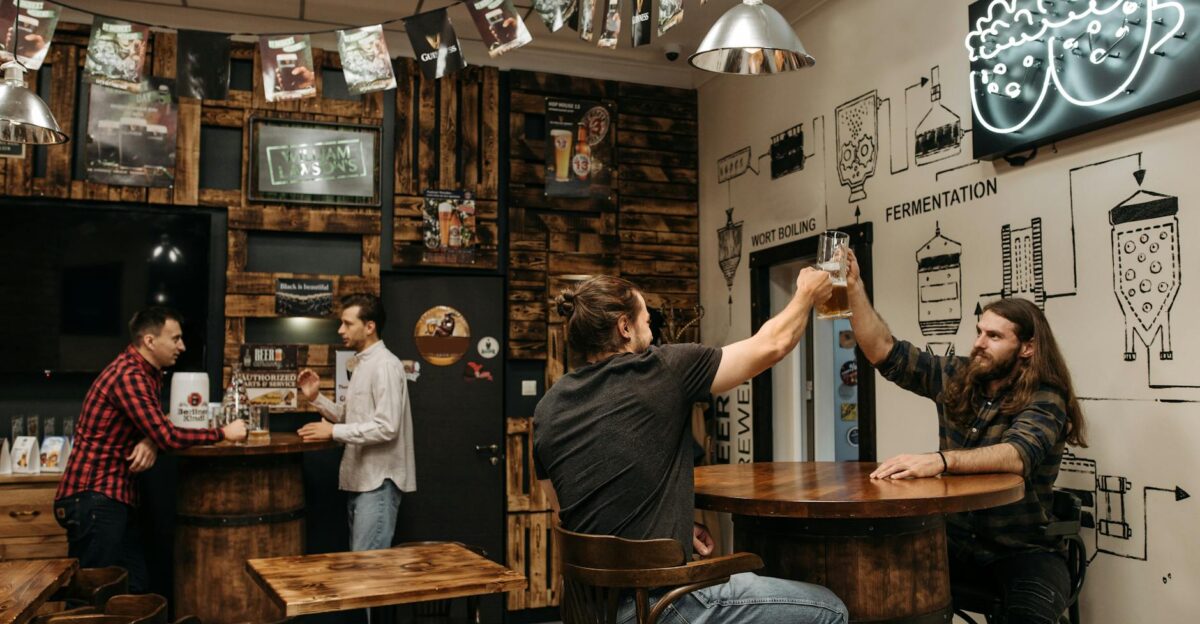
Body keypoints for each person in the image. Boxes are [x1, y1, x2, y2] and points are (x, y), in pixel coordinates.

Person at [533, 274, 848, 624]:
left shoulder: (548, 407)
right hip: (659, 605)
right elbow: (772, 345)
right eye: (646, 321)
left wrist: (670, 529)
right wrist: (805, 292)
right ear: (624, 327)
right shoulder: (663, 369)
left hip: (589, 609)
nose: (650, 330)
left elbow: (569, 513)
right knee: (830, 608)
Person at [843, 250, 1086, 623]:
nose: (978, 343)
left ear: (1027, 348)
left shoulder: (1045, 393)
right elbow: (884, 352)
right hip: (952, 545)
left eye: (993, 336)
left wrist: (940, 462)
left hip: (1023, 552)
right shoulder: (959, 376)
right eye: (978, 332)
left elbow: (1018, 455)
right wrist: (855, 288)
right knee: (877, 591)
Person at [54, 307, 247, 593]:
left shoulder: (148, 374)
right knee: (90, 596)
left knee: (134, 589)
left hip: (112, 499)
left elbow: (157, 426)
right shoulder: (129, 375)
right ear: (150, 341)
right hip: (95, 498)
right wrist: (223, 433)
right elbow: (167, 434)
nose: (182, 346)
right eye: (176, 338)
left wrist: (150, 440)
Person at [297, 294, 415, 552]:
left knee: (367, 573)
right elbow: (352, 418)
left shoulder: (385, 365)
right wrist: (316, 398)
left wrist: (333, 432)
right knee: (360, 568)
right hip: (362, 483)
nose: (341, 330)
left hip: (378, 483)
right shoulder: (363, 364)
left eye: (348, 324)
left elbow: (387, 427)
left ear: (369, 326)